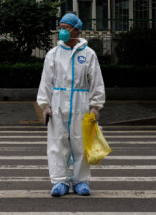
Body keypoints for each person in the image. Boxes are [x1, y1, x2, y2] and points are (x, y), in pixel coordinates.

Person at [37, 12, 105, 197]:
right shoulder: (53, 54)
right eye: (61, 28)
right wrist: (45, 106)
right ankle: (59, 181)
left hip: (81, 105)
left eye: (66, 28)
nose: (62, 31)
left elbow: (96, 81)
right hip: (58, 104)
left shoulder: (88, 54)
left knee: (81, 143)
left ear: (76, 30)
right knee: (57, 143)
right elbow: (46, 82)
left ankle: (81, 181)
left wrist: (95, 106)